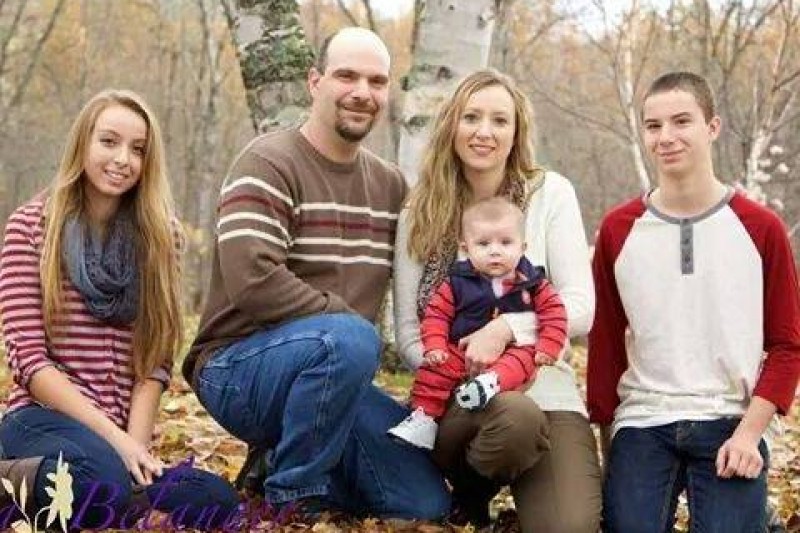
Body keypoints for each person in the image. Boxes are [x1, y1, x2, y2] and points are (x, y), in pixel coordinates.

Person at [180, 27, 450, 520]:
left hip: (335, 374)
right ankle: (292, 497)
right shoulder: (268, 163)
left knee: (422, 503)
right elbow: (254, 281)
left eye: (376, 81)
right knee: (350, 339)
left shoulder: (389, 186)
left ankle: (274, 462)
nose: (362, 92)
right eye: (346, 76)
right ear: (314, 81)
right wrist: (347, 327)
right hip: (236, 369)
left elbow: (432, 271)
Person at [0, 89, 240, 531]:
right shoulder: (31, 226)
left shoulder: (161, 237)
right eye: (109, 142)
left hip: (117, 437)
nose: (123, 159)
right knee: (101, 480)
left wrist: (135, 450)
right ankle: (14, 482)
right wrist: (117, 444)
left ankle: (119, 502)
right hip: (40, 420)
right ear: (83, 143)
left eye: (138, 149)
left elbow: (154, 362)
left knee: (216, 499)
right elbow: (30, 363)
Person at [587, 71, 800, 532]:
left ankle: (752, 512)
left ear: (712, 127)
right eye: (653, 126)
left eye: (681, 121)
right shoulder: (619, 229)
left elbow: (787, 347)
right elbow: (605, 344)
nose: (666, 137)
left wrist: (749, 435)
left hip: (730, 418)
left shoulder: (761, 228)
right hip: (644, 419)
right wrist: (611, 458)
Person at [394, 69, 602, 532]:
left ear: (516, 132)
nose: (484, 132)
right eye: (471, 117)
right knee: (514, 417)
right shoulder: (419, 212)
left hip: (547, 389)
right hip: (455, 399)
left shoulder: (550, 194)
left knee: (568, 527)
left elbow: (580, 306)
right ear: (451, 125)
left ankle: (502, 485)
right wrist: (453, 363)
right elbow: (407, 331)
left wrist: (507, 329)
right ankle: (470, 493)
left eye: (499, 120)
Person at [389, 197, 567, 450]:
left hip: (513, 350)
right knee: (434, 369)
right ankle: (424, 418)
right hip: (462, 349)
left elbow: (555, 314)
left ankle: (489, 383)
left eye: (506, 242)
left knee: (522, 360)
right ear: (466, 247)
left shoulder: (533, 282)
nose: (495, 251)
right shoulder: (457, 282)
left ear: (523, 246)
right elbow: (436, 315)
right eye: (483, 244)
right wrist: (435, 345)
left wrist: (548, 347)